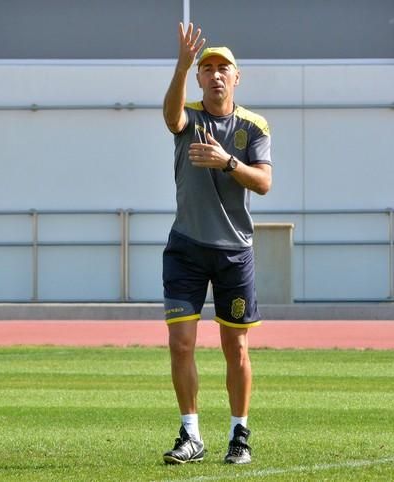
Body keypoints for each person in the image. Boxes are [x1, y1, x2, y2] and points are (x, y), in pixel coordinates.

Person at [161, 23, 272, 465]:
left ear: (236, 78)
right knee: (181, 343)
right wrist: (181, 65)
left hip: (234, 251)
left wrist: (228, 163)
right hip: (186, 246)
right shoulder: (188, 114)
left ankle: (239, 435)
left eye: (222, 68)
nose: (215, 75)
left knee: (236, 347)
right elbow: (171, 118)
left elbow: (264, 182)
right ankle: (190, 434)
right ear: (200, 78)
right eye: (207, 69)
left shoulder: (253, 126)